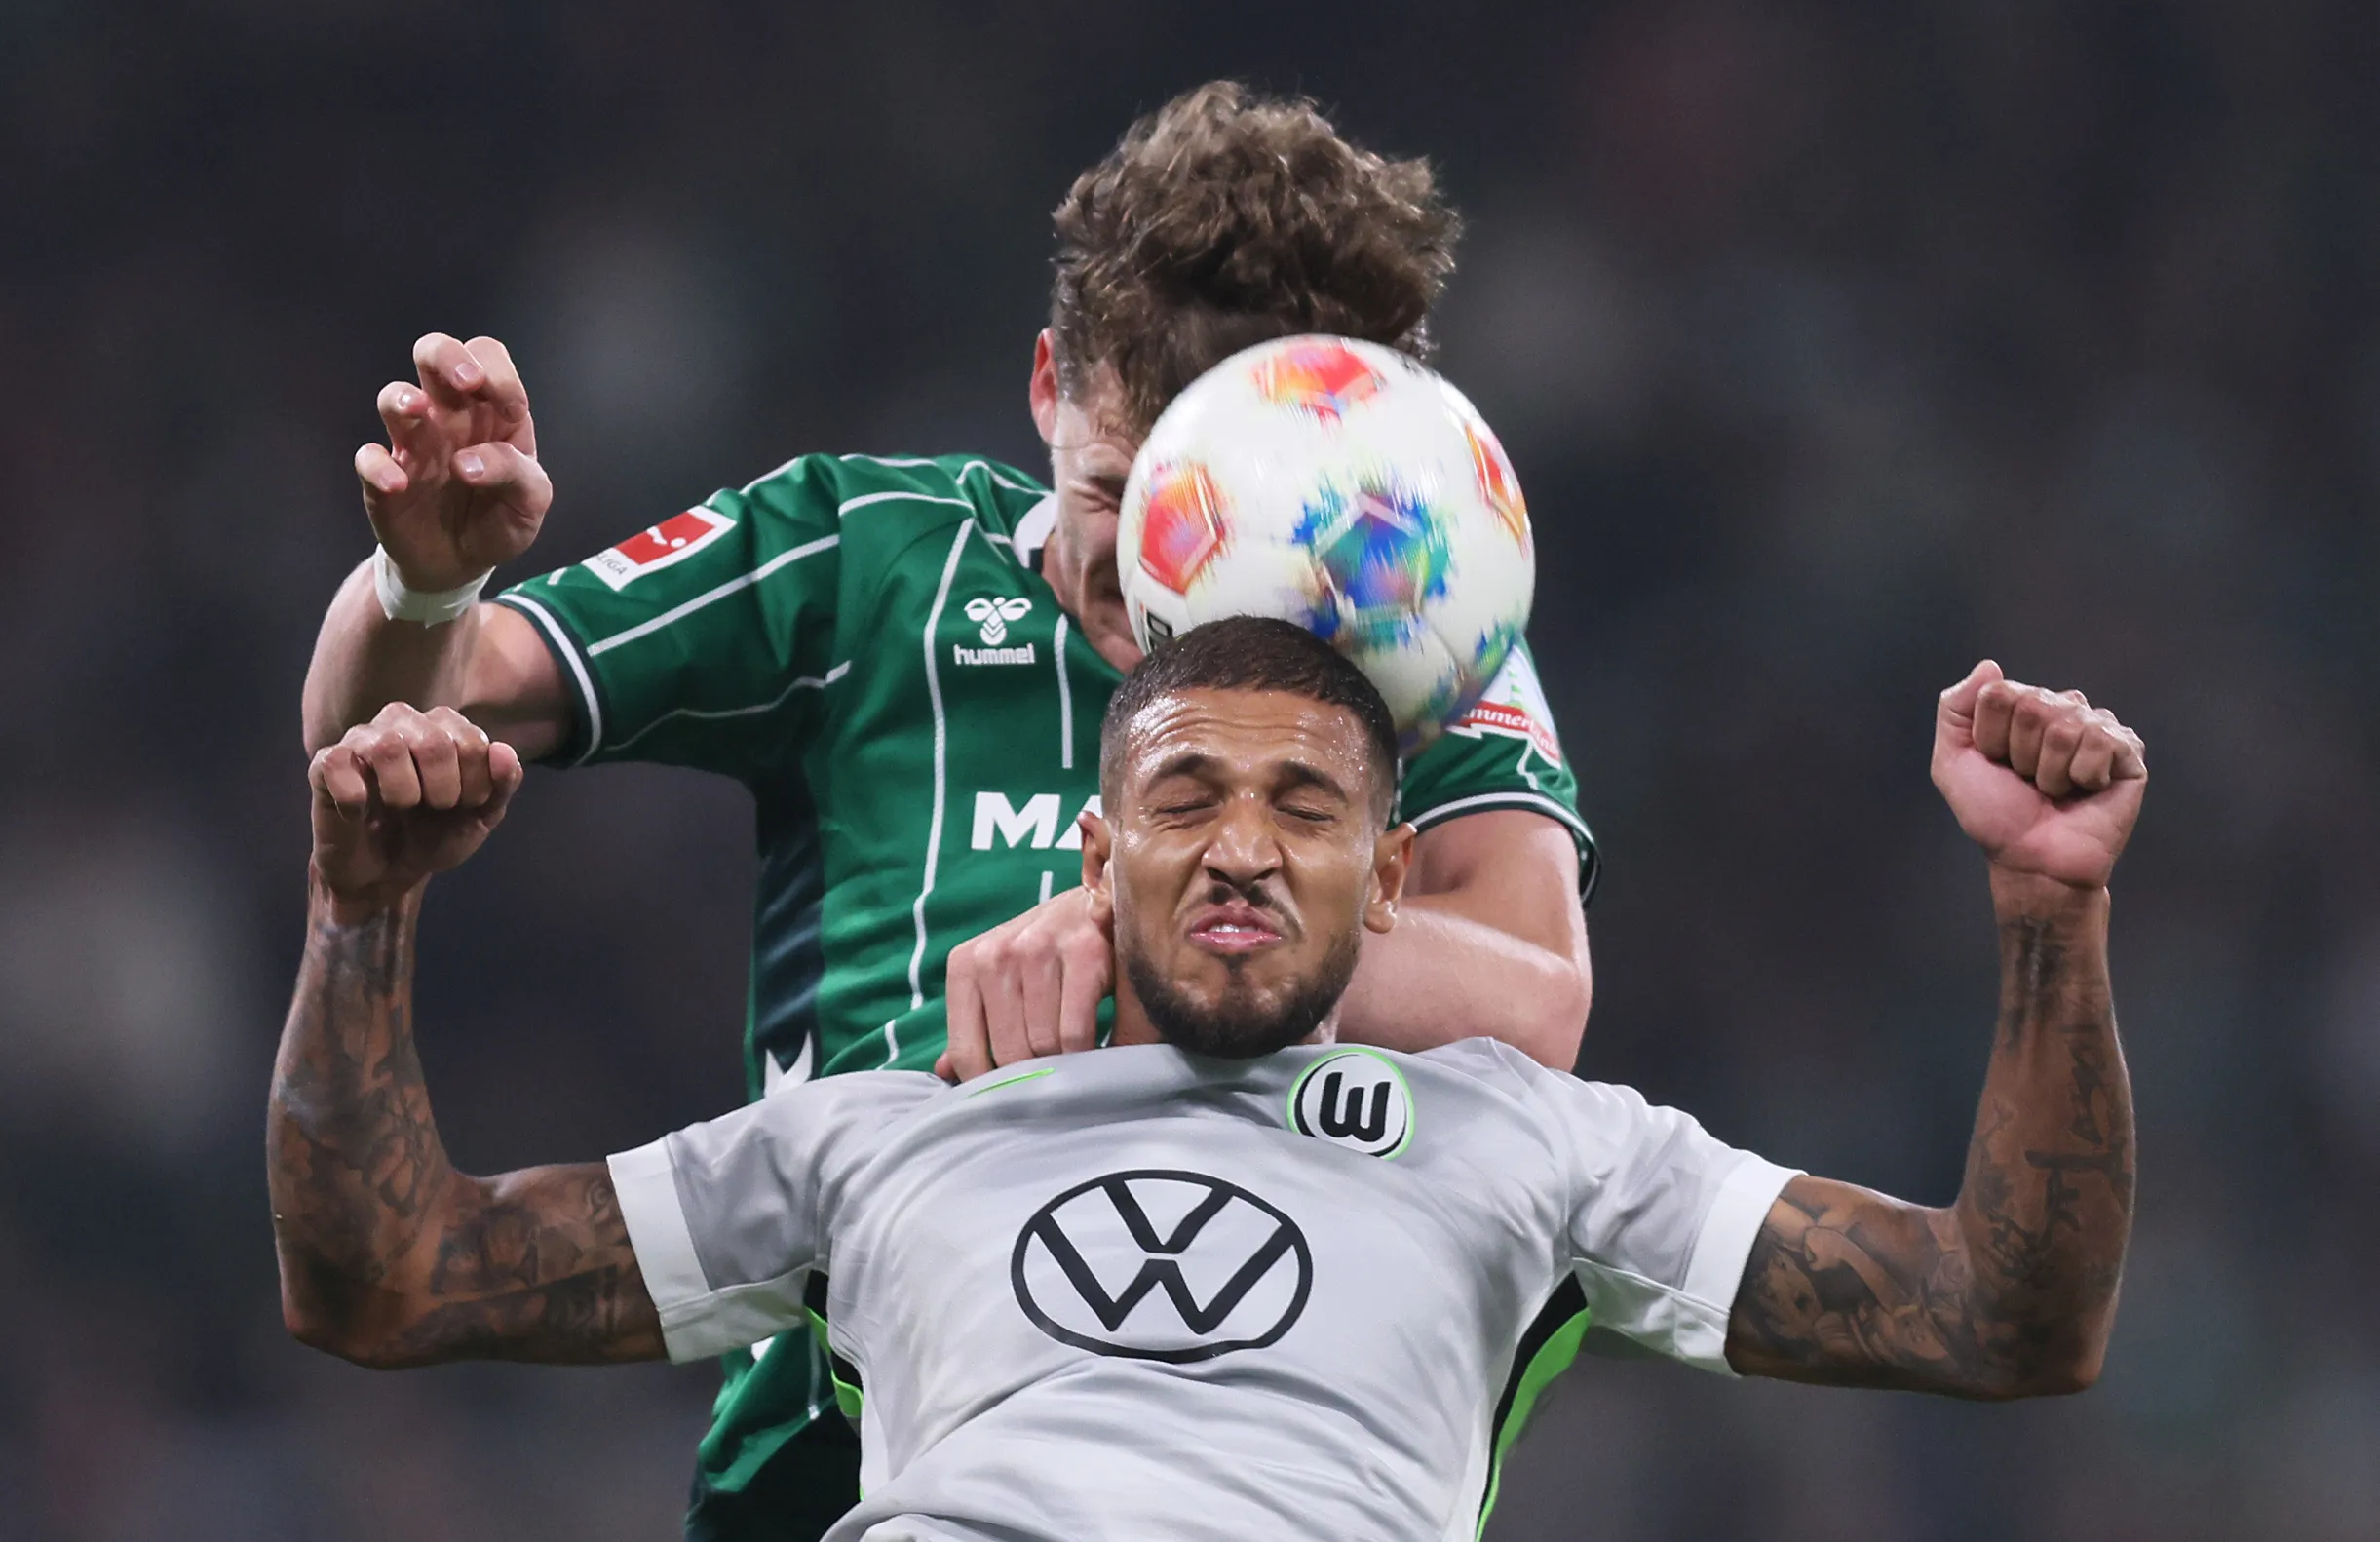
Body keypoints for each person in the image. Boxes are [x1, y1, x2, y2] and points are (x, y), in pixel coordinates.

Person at [298, 83, 1597, 1536]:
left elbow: (1534, 998)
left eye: (1212, 513)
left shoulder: (1406, 616)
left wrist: (1138, 926)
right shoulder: (870, 561)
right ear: (1049, 386)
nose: (1149, 570)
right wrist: (425, 586)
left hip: (1251, 1461)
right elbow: (394, 724)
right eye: (1121, 491)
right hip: (833, 1471)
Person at [272, 616, 2141, 1542]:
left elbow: (2003, 1316)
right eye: (1182, 799)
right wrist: (364, 919)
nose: (1238, 847)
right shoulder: (878, 1132)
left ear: (1393, 879)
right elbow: (388, 1278)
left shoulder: (1542, 1150)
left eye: (1304, 806)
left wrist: (2049, 915)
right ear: (1095, 860)